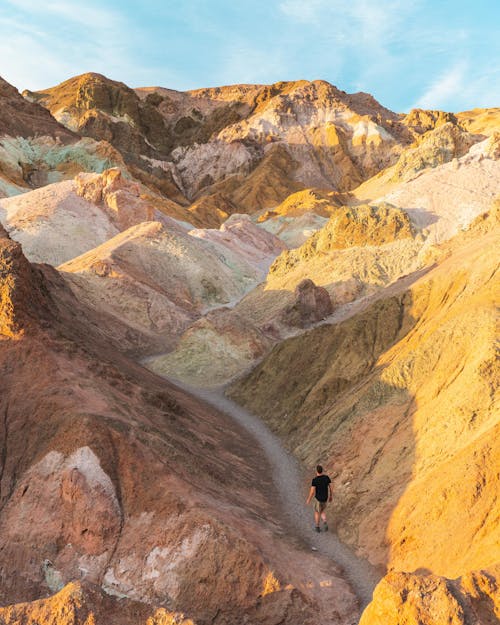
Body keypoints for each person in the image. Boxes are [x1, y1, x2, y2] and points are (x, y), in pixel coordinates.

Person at [306, 464, 332, 532]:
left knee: (317, 512)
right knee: (322, 511)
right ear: (322, 470)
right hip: (325, 498)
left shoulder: (315, 480)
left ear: (316, 471)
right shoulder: (326, 478)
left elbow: (312, 492)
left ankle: (317, 527)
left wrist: (308, 499)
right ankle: (325, 521)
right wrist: (331, 496)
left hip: (318, 499)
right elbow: (331, 488)